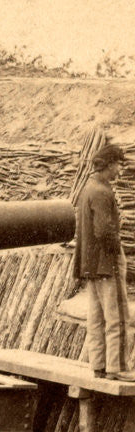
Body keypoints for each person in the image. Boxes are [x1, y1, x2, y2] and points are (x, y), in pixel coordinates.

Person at [73, 143, 134, 380]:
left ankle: (98, 366)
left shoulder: (87, 188)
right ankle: (118, 368)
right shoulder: (102, 192)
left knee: (96, 317)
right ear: (108, 165)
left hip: (90, 265)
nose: (119, 170)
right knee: (117, 317)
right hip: (106, 264)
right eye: (118, 165)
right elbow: (104, 231)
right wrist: (117, 251)